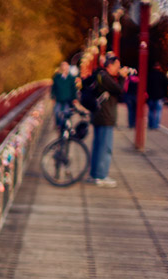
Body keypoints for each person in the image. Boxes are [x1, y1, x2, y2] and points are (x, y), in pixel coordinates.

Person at [87, 55, 128, 188]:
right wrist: (122, 77)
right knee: (105, 148)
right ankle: (101, 175)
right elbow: (119, 90)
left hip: (100, 115)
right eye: (117, 66)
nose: (118, 69)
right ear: (110, 65)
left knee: (98, 146)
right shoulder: (105, 77)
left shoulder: (100, 75)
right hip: (105, 116)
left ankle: (94, 175)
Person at [51, 61, 78, 130]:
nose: (65, 68)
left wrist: (74, 98)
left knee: (66, 113)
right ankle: (59, 126)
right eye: (63, 66)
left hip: (68, 100)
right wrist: (53, 97)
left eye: (66, 66)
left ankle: (67, 128)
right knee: (57, 112)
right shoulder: (57, 78)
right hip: (59, 100)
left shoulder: (71, 78)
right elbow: (53, 88)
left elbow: (73, 89)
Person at [147, 62, 168, 129]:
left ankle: (150, 125)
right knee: (158, 111)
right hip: (160, 95)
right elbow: (165, 86)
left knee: (151, 110)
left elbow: (147, 85)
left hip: (151, 95)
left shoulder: (150, 75)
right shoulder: (162, 75)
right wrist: (166, 95)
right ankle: (156, 126)